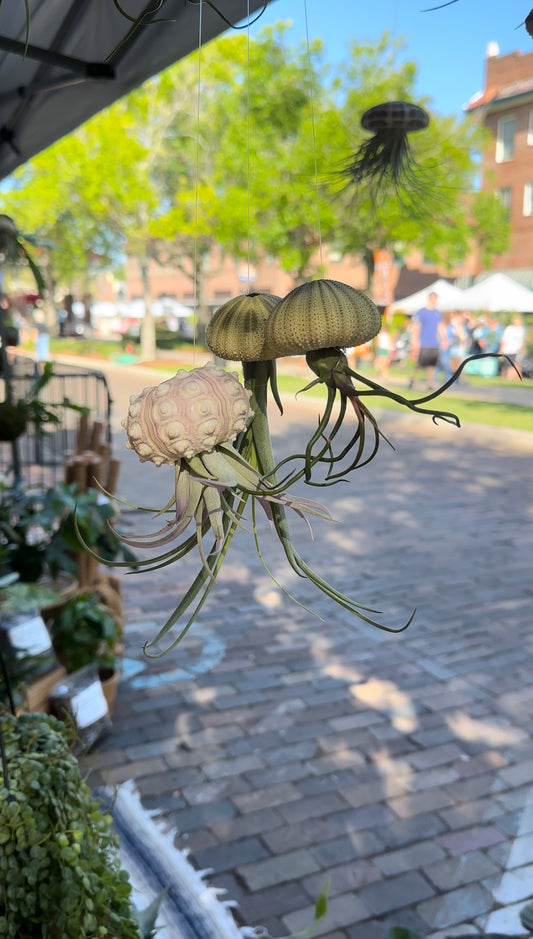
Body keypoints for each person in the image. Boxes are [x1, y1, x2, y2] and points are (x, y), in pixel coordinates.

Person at [408, 291, 442, 390]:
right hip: (423, 342)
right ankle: (412, 379)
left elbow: (440, 327)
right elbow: (415, 327)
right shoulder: (421, 312)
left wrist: (443, 339)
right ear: (429, 299)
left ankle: (430, 383)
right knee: (420, 363)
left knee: (432, 364)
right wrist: (415, 341)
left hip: (433, 343)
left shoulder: (437, 313)